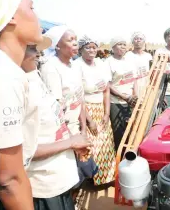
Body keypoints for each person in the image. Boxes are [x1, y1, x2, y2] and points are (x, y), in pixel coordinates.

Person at [21, 44, 92, 210]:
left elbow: (55, 118)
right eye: (31, 47)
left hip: (59, 180)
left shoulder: (35, 76)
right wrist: (70, 143)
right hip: (42, 187)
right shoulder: (15, 86)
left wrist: (72, 142)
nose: (39, 53)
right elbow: (22, 152)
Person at [0, 0, 43, 209]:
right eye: (32, 8)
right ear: (12, 16)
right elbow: (9, 180)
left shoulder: (12, 72)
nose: (37, 16)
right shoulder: (5, 75)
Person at [73, 35, 116, 185]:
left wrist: (106, 113)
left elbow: (106, 90)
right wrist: (89, 120)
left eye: (94, 47)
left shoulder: (100, 63)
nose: (92, 50)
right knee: (93, 147)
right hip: (86, 110)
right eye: (88, 47)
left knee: (106, 144)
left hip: (102, 108)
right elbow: (79, 96)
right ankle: (92, 178)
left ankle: (107, 178)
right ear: (81, 50)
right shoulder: (77, 66)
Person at [106, 37, 138, 151]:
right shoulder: (108, 62)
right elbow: (108, 85)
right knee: (119, 133)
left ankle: (131, 155)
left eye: (124, 44)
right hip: (116, 102)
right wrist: (124, 97)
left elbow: (134, 80)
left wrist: (135, 97)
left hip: (131, 101)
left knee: (131, 130)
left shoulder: (130, 61)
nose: (123, 47)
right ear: (113, 47)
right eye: (119, 44)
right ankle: (120, 158)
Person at [155, 27, 170, 107]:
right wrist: (160, 94)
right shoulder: (160, 51)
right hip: (165, 90)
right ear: (165, 38)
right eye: (169, 36)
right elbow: (156, 72)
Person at [125, 32, 153, 99]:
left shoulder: (148, 56)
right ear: (132, 41)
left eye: (141, 39)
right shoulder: (127, 55)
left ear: (144, 41)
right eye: (136, 39)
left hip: (146, 86)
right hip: (132, 87)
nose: (138, 40)